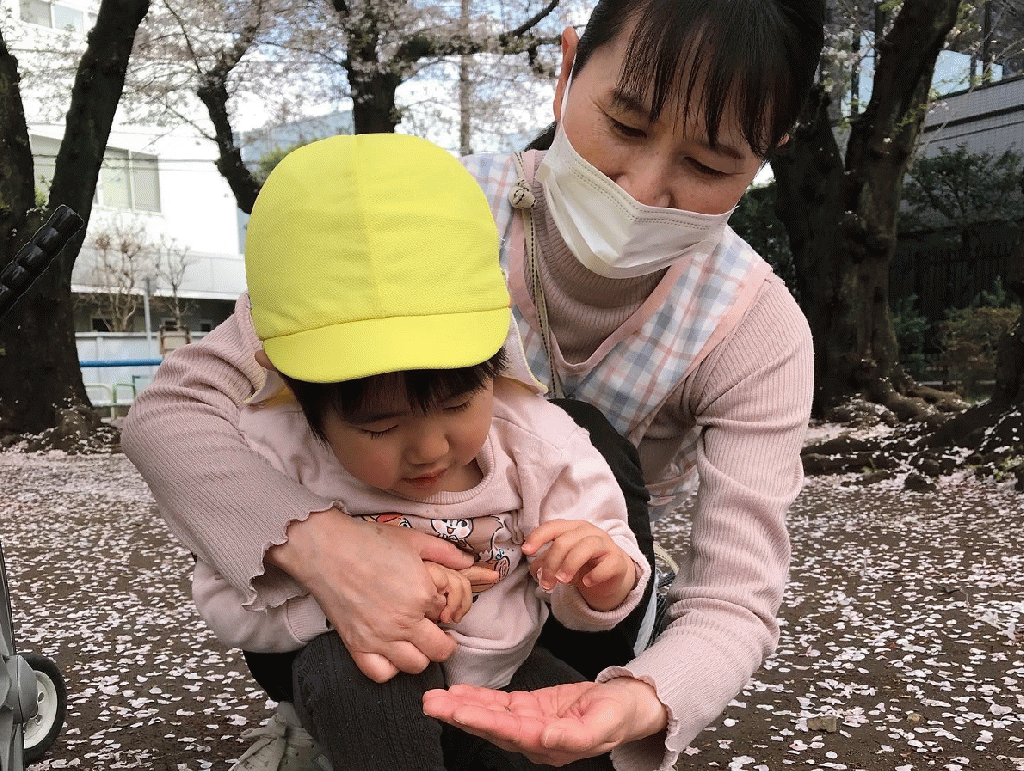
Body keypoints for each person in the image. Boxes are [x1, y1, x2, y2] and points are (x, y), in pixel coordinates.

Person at [122, 0, 824, 768]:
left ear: (769, 153)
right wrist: (326, 547)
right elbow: (172, 412)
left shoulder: (754, 329)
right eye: (625, 124)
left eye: (710, 164)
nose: (644, 186)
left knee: (591, 439)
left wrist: (644, 695)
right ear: (567, 68)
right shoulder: (413, 220)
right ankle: (321, 714)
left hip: (549, 608)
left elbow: (735, 598)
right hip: (336, 609)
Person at [187, 133, 650, 771]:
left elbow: (599, 558)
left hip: (503, 671)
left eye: (459, 406)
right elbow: (223, 599)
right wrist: (336, 594)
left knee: (574, 742)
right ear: (307, 407)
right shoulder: (278, 452)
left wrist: (605, 577)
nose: (430, 448)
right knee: (360, 680)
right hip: (367, 670)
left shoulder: (533, 439)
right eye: (380, 427)